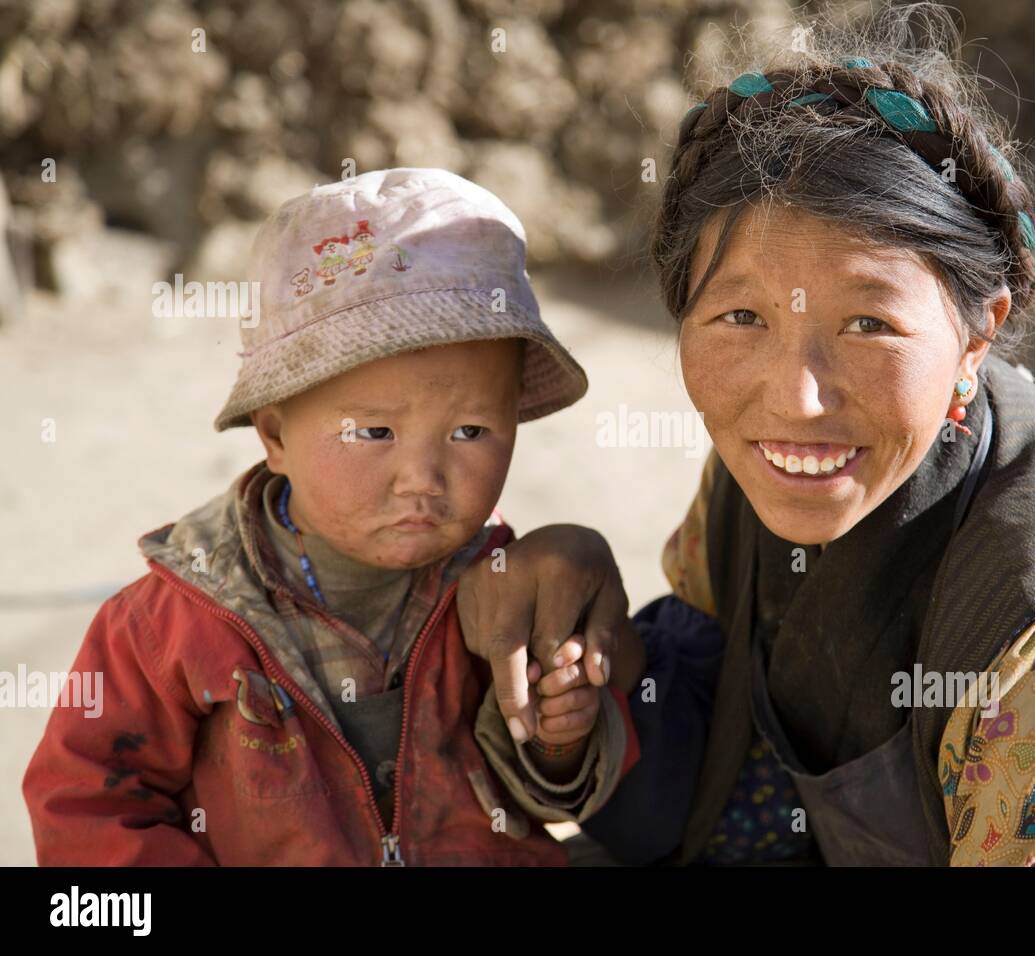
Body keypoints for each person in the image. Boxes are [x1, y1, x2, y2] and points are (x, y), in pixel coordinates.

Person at [456, 7, 1035, 866]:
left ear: (977, 337)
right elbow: (726, 764)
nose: (797, 399)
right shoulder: (772, 477)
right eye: (740, 316)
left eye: (868, 323)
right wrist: (582, 684)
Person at [22, 168, 639, 866]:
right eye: (373, 434)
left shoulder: (506, 586)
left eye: (470, 431)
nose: (423, 479)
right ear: (276, 436)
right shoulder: (174, 621)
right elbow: (87, 806)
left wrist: (561, 738)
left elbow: (550, 797)